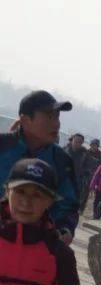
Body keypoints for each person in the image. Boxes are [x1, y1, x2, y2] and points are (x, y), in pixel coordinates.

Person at [0, 90, 80, 243]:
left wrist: (64, 230)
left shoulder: (61, 161)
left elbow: (68, 206)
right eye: (49, 117)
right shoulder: (3, 146)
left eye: (57, 117)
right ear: (25, 120)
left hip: (35, 245)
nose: (56, 123)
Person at [81, 139, 101, 214]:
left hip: (94, 177)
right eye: (92, 144)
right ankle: (78, 207)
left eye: (95, 145)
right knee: (81, 191)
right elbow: (82, 163)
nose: (93, 146)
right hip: (84, 175)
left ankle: (81, 208)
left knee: (86, 193)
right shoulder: (86, 152)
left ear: (97, 146)